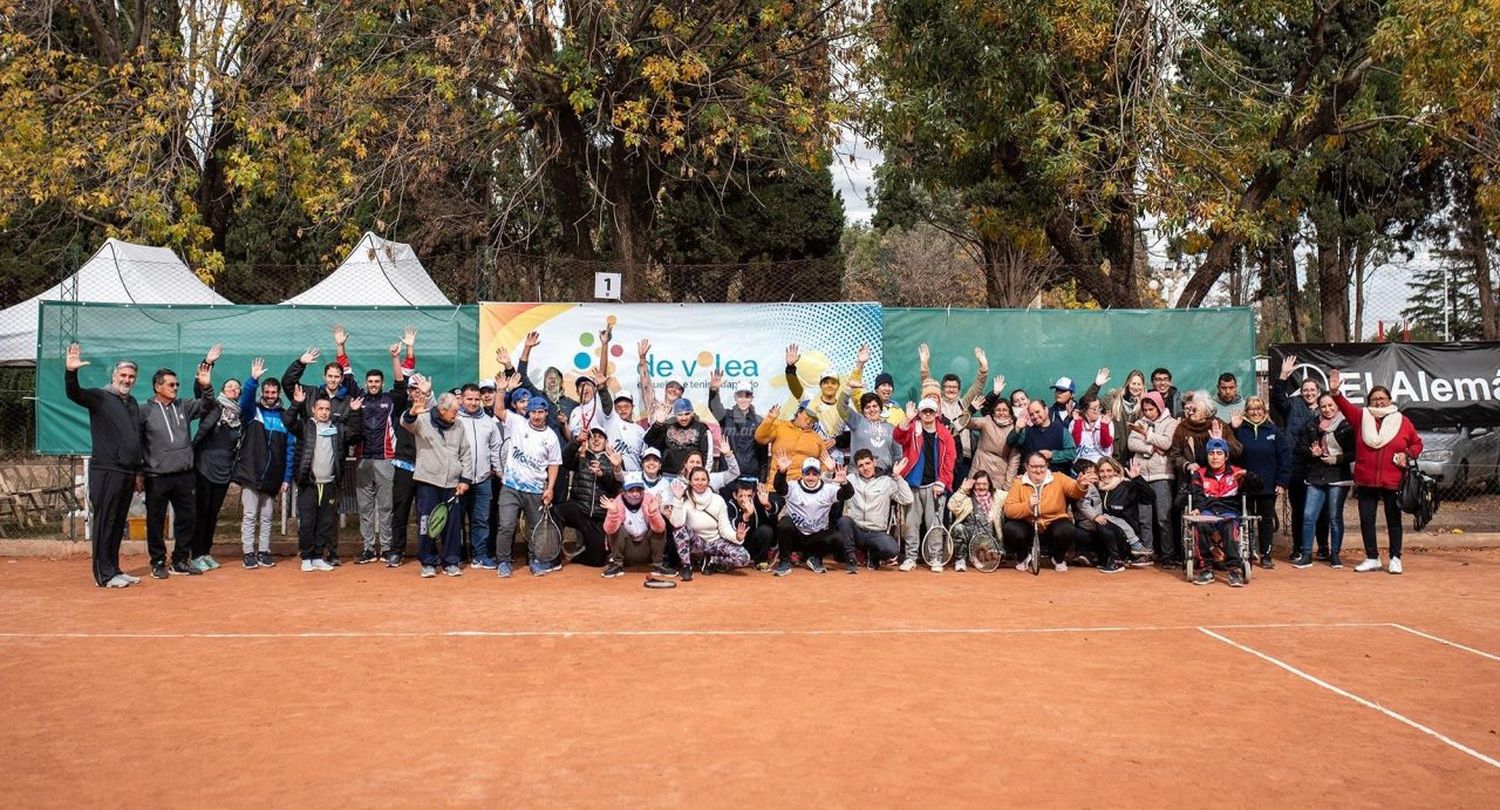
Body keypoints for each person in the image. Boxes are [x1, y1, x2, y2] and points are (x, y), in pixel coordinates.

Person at [64, 343, 142, 588]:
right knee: (105, 521)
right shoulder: (100, 396)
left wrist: (138, 471)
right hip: (106, 470)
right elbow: (74, 393)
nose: (127, 380)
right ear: (114, 376)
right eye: (123, 375)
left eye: (131, 376)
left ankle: (114, 569)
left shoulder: (132, 403)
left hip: (127, 472)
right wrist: (70, 372)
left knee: (118, 522)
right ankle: (103, 575)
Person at [1330, 369, 1422, 574]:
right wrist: (1335, 392)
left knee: (1393, 520)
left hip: (1393, 480)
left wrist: (1406, 455)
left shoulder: (1403, 421)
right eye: (1374, 399)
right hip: (1366, 479)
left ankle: (1395, 557)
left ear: (1389, 399)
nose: (1378, 402)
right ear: (1369, 401)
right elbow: (1344, 407)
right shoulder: (1361, 417)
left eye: (1382, 398)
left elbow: (1417, 444)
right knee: (1366, 519)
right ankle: (1372, 557)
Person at [139, 354, 219, 578]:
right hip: (157, 476)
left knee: (188, 518)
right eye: (171, 384)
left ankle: (180, 561)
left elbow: (208, 405)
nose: (175, 387)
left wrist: (206, 386)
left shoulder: (183, 406)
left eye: (177, 384)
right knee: (156, 521)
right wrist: (139, 472)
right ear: (157, 387)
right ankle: (157, 562)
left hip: (185, 475)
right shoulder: (144, 412)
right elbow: (137, 443)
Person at [351, 329, 415, 565]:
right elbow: (345, 374)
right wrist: (341, 348)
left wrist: (397, 356)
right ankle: (368, 548)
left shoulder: (392, 400)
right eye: (370, 382)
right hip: (363, 461)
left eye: (377, 381)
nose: (373, 384)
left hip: (387, 460)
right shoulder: (359, 399)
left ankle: (387, 548)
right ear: (366, 384)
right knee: (365, 508)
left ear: (382, 383)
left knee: (386, 507)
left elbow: (402, 381)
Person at [285, 388, 364, 572]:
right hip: (308, 484)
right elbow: (288, 422)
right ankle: (306, 557)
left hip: (330, 484)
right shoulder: (305, 426)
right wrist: (296, 404)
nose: (324, 412)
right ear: (314, 410)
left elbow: (355, 435)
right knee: (307, 523)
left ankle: (318, 556)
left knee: (325, 523)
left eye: (327, 409)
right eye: (320, 409)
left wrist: (353, 413)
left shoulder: (337, 429)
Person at [402, 382, 472, 578]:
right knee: (427, 524)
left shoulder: (459, 425)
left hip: (452, 483)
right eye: (454, 411)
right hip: (428, 482)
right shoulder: (423, 419)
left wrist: (464, 479)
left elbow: (466, 453)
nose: (456, 415)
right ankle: (428, 562)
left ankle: (451, 561)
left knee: (452, 525)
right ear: (442, 409)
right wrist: (413, 412)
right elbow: (405, 423)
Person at [494, 389, 563, 577]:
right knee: (506, 526)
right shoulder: (517, 423)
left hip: (535, 490)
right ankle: (504, 562)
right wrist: (500, 391)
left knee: (535, 528)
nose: (537, 416)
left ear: (546, 413)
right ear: (527, 413)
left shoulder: (551, 437)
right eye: (533, 412)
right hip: (511, 487)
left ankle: (536, 560)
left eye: (541, 412)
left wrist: (550, 488)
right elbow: (499, 410)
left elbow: (554, 464)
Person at [233, 358, 294, 569]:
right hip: (251, 472)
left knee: (267, 517)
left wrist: (286, 477)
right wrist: (253, 380)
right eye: (266, 392)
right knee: (250, 515)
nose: (269, 396)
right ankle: (248, 553)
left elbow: (290, 450)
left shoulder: (285, 418)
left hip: (273, 476)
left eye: (273, 393)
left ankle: (264, 552)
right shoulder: (253, 413)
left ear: (278, 394)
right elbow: (246, 401)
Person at [1272, 354, 1328, 560]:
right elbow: (1278, 399)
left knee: (1321, 511)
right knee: (1299, 510)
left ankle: (1323, 548)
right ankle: (1298, 548)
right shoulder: (1293, 405)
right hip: (1297, 467)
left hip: (1321, 468)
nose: (1309, 393)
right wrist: (1283, 376)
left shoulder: (1326, 409)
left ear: (1319, 392)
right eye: (1305, 390)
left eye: (1312, 390)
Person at [1183, 438, 1259, 587]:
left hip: (1229, 512)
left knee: (1231, 527)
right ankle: (1206, 569)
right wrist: (1197, 508)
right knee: (1200, 526)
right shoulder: (1200, 473)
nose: (1215, 457)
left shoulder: (1237, 472)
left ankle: (1233, 569)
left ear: (1226, 456)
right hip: (1208, 511)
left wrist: (1247, 474)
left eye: (1219, 453)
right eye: (1211, 453)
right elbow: (1197, 494)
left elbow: (1258, 486)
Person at [1291, 393, 1354, 569]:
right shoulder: (1311, 425)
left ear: (1337, 406)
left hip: (1338, 476)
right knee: (1308, 516)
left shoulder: (1347, 425)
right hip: (1315, 475)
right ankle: (1305, 555)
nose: (1327, 409)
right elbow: (1302, 448)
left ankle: (1334, 555)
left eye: (1331, 406)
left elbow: (1353, 452)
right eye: (1324, 406)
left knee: (1334, 516)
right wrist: (1312, 453)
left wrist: (1336, 459)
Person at [188, 373, 242, 572]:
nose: (233, 389)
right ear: (222, 389)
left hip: (224, 471)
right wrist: (207, 367)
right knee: (200, 512)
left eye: (236, 387)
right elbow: (200, 394)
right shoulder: (213, 407)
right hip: (204, 467)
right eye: (229, 385)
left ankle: (206, 552)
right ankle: (195, 555)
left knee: (212, 514)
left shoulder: (239, 416)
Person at [894, 398, 956, 571]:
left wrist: (942, 482)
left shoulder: (945, 435)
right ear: (919, 414)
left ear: (936, 414)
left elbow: (949, 461)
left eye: (931, 411)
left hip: (935, 486)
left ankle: (935, 558)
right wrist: (907, 419)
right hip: (913, 485)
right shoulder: (913, 429)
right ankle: (910, 558)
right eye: (924, 412)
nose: (927, 414)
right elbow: (897, 436)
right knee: (910, 524)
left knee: (934, 524)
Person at [1002, 452, 1086, 572]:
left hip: (1054, 523)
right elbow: (1009, 509)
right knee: (1011, 529)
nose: (1038, 470)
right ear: (1026, 466)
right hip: (1029, 524)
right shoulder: (1018, 483)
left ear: (1047, 466)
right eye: (1034, 466)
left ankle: (1057, 558)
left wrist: (1081, 486)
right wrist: (1028, 506)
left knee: (1067, 529)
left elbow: (1075, 491)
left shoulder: (1059, 478)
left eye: (1042, 466)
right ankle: (1023, 556)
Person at [771, 455, 853, 576]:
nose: (811, 477)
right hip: (796, 537)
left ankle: (816, 558)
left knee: (838, 538)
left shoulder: (827, 489)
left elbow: (847, 494)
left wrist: (845, 482)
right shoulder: (794, 487)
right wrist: (782, 472)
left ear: (819, 474)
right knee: (784, 523)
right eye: (807, 473)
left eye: (814, 474)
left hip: (816, 537)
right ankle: (784, 562)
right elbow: (779, 487)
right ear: (802, 474)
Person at [917, 343, 988, 482]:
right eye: (948, 387)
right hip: (939, 458)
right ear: (942, 389)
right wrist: (924, 365)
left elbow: (977, 387)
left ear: (959, 389)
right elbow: (927, 385)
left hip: (964, 459)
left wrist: (983, 369)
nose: (951, 390)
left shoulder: (964, 403)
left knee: (960, 499)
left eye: (954, 387)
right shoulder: (935, 404)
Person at [1232, 397, 1290, 569]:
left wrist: (1282, 481)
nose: (1255, 412)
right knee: (1246, 519)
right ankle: (1248, 552)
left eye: (1259, 408)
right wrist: (1233, 430)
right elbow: (1231, 453)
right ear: (1246, 411)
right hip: (1245, 485)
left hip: (1268, 485)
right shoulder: (1240, 430)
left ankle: (1266, 555)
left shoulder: (1273, 431)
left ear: (1264, 411)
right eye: (1251, 409)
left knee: (1266, 521)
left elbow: (1284, 458)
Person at [555, 426, 624, 567]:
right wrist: (576, 442)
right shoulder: (581, 456)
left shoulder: (614, 459)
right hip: (579, 508)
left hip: (598, 515)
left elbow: (616, 487)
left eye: (600, 437)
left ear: (606, 441)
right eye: (593, 437)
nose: (596, 439)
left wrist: (603, 474)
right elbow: (564, 459)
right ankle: (554, 554)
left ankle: (576, 556)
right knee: (555, 511)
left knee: (597, 560)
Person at [668, 467, 752, 579]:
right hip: (696, 543)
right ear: (690, 482)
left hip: (714, 542)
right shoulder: (685, 500)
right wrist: (678, 500)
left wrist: (737, 536)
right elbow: (677, 524)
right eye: (696, 479)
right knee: (679, 530)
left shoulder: (718, 500)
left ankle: (711, 561)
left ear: (708, 481)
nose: (700, 482)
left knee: (744, 557)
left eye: (703, 479)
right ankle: (686, 566)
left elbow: (724, 529)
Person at [837, 450, 912, 572]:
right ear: (856, 468)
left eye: (867, 463)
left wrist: (897, 477)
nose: (865, 468)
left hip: (876, 532)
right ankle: (851, 558)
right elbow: (830, 492)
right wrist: (830, 473)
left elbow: (907, 499)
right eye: (861, 466)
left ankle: (874, 556)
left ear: (874, 462)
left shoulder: (886, 481)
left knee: (892, 550)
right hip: (856, 530)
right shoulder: (850, 479)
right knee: (843, 521)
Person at [1126, 391, 1178, 563]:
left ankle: (1168, 555)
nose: (1148, 413)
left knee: (1164, 518)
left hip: (1162, 476)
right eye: (1145, 409)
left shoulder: (1171, 423)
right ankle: (1146, 553)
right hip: (1142, 477)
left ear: (1159, 407)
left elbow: (1167, 442)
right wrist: (1150, 448)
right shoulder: (1139, 422)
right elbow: (1131, 443)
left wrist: (1147, 435)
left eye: (1151, 409)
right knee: (1144, 518)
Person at [1076, 457, 1152, 573]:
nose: (1105, 474)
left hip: (1126, 536)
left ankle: (1118, 560)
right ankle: (1096, 556)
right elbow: (1082, 504)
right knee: (1081, 530)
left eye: (1109, 470)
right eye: (1101, 471)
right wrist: (1082, 486)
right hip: (1105, 534)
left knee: (1103, 520)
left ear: (1116, 471)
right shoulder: (1095, 488)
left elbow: (1150, 497)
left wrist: (1137, 478)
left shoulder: (1126, 486)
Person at [456, 382, 503, 568]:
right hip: (458, 480)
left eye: (477, 399)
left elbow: (495, 449)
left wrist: (500, 473)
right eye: (469, 399)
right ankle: (456, 556)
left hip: (483, 481)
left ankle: (480, 556)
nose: (474, 403)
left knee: (481, 521)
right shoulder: (454, 420)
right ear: (462, 399)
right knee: (456, 521)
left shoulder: (489, 422)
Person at [784, 342, 869, 439]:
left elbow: (849, 435)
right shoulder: (808, 402)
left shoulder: (843, 408)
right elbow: (794, 387)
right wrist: (790, 368)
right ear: (820, 385)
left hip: (835, 452)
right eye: (826, 382)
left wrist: (860, 364)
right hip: (811, 449)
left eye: (833, 383)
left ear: (838, 386)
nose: (829, 385)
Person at [600, 472, 669, 578]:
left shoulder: (649, 501)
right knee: (618, 528)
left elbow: (660, 529)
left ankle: (658, 565)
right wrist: (613, 513)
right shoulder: (617, 503)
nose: (635, 494)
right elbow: (609, 530)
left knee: (659, 527)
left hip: (646, 549)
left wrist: (653, 513)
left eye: (638, 490)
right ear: (624, 492)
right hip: (626, 550)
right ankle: (617, 565)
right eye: (631, 490)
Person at [708, 371, 766, 480]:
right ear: (735, 397)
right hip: (728, 474)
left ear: (752, 398)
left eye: (747, 396)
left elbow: (763, 456)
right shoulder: (725, 416)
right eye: (740, 396)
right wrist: (714, 390)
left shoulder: (760, 422)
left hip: (751, 476)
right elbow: (713, 406)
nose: (743, 400)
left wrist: (762, 480)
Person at [753, 401, 829, 484]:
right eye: (807, 416)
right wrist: (769, 419)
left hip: (803, 488)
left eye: (813, 419)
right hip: (776, 484)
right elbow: (760, 438)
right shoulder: (780, 427)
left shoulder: (817, 438)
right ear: (799, 413)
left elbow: (825, 463)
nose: (809, 421)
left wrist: (818, 483)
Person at [1170, 392, 1243, 478]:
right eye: (1189, 409)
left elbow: (1237, 451)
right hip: (1192, 478)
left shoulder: (1219, 425)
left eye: (1194, 410)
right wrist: (1187, 465)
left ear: (1206, 412)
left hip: (1217, 478)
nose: (1190, 413)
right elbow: (1175, 455)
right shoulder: (1182, 428)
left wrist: (1221, 441)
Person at [946, 470, 1002, 573]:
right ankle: (960, 560)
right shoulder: (967, 499)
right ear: (973, 485)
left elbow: (1012, 496)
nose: (981, 487)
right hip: (969, 538)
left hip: (988, 541)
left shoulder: (998, 496)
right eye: (978, 484)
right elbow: (951, 505)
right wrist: (962, 490)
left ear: (989, 485)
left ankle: (984, 556)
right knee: (958, 528)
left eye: (984, 484)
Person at [966, 385, 1020, 486]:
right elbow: (965, 423)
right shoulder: (987, 421)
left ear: (1010, 413)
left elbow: (1014, 460)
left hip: (999, 477)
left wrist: (1008, 485)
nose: (1001, 413)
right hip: (978, 470)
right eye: (998, 410)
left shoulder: (1015, 429)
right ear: (993, 412)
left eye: (1005, 410)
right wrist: (971, 410)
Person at [643, 398, 712, 475]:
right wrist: (658, 423)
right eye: (680, 415)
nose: (684, 418)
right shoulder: (667, 425)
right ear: (675, 415)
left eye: (687, 414)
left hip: (691, 475)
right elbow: (648, 440)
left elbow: (707, 454)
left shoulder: (701, 427)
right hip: (667, 473)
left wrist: (704, 474)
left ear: (692, 413)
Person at [725, 477, 781, 570]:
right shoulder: (730, 505)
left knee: (766, 530)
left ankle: (760, 560)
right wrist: (746, 515)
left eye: (748, 496)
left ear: (754, 495)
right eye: (741, 496)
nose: (745, 499)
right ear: (735, 495)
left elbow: (773, 514)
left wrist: (767, 504)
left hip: (753, 543)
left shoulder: (758, 502)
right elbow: (730, 525)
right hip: (737, 544)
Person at [1009, 399, 1077, 475]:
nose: (1035, 416)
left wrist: (1053, 455)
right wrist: (1017, 429)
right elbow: (1010, 443)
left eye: (1037, 412)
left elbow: (1072, 453)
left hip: (1057, 478)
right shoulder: (1027, 432)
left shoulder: (1061, 430)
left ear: (1046, 410)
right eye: (1031, 414)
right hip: (1034, 479)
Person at [845, 392, 902, 474]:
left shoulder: (891, 428)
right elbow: (841, 407)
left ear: (880, 408)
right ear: (863, 411)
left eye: (875, 406)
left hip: (883, 476)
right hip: (857, 475)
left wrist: (893, 473)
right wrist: (848, 388)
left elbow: (898, 454)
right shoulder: (857, 421)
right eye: (867, 407)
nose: (872, 410)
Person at [635, 337, 685, 425]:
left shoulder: (683, 413)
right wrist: (642, 359)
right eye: (671, 386)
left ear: (681, 393)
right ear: (666, 390)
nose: (673, 390)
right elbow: (646, 387)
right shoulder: (654, 406)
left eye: (677, 388)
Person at [1103, 369, 1148, 458]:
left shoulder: (1146, 405)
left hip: (1137, 456)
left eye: (1139, 384)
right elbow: (1087, 401)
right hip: (1116, 456)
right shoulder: (1113, 400)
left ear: (1143, 386)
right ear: (1128, 384)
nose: (1136, 387)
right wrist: (1097, 385)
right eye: (1133, 383)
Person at [1070, 394, 1115, 464]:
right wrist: (1078, 423)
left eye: (1099, 408)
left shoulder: (1106, 421)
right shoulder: (1075, 421)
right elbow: (1074, 445)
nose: (1097, 411)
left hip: (1101, 463)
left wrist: (1104, 427)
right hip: (1081, 463)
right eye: (1094, 409)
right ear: (1084, 410)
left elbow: (1106, 445)